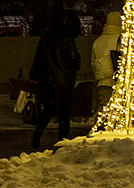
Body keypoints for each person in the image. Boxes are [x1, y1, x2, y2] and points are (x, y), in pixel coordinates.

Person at [29, 10, 81, 149]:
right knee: (64, 112)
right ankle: (62, 141)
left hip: (48, 79)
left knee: (49, 108)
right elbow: (74, 60)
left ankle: (38, 132)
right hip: (64, 80)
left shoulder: (45, 37)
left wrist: (34, 76)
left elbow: (37, 59)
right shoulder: (68, 39)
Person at [91, 10, 121, 112]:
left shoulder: (98, 41)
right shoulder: (121, 39)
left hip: (102, 82)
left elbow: (92, 61)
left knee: (103, 108)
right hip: (116, 79)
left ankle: (100, 127)